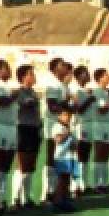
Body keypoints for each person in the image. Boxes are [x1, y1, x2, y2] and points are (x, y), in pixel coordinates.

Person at [41, 59, 74, 203]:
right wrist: (66, 108)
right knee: (51, 158)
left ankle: (58, 191)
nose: (65, 67)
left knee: (61, 158)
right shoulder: (52, 84)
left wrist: (72, 107)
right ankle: (48, 192)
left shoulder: (63, 85)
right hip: (53, 124)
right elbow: (52, 106)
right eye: (61, 65)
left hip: (62, 124)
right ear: (54, 69)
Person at [0, 60, 18, 213]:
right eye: (7, 68)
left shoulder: (5, 85)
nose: (10, 71)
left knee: (6, 165)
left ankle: (1, 199)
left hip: (11, 127)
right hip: (0, 127)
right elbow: (2, 102)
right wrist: (14, 96)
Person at [13, 64, 41, 209]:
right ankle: (15, 198)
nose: (34, 76)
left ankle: (26, 197)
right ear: (23, 77)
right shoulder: (19, 92)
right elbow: (24, 105)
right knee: (22, 165)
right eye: (31, 73)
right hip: (23, 129)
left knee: (31, 166)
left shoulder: (34, 92)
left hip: (33, 129)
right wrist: (31, 101)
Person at [69, 65, 95, 197]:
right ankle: (75, 186)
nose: (88, 75)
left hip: (88, 124)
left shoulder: (86, 90)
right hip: (79, 125)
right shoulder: (75, 89)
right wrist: (89, 100)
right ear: (78, 76)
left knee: (85, 156)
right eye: (86, 73)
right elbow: (78, 109)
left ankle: (84, 184)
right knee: (78, 155)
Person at [89, 68, 109, 193]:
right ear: (99, 78)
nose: (108, 77)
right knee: (99, 153)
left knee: (105, 155)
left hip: (107, 125)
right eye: (105, 75)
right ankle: (96, 184)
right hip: (99, 124)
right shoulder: (97, 92)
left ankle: (104, 182)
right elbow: (101, 110)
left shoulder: (106, 92)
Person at [50, 108, 80, 212]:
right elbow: (58, 140)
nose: (68, 118)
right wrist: (67, 134)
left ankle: (64, 199)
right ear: (59, 116)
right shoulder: (57, 126)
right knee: (62, 179)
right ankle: (57, 201)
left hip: (69, 156)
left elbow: (73, 144)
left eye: (69, 115)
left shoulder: (67, 127)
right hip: (61, 157)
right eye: (65, 115)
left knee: (67, 179)